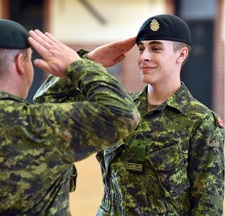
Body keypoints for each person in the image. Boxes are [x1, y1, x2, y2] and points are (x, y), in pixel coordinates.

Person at [0, 19, 140, 215]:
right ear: (20, 63)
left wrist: (87, 61)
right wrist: (78, 65)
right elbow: (122, 113)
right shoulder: (42, 125)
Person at [33, 14, 225, 215]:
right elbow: (45, 109)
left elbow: (207, 208)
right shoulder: (118, 110)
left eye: (156, 48)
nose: (144, 57)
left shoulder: (201, 122)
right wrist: (90, 62)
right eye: (141, 49)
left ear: (181, 54)